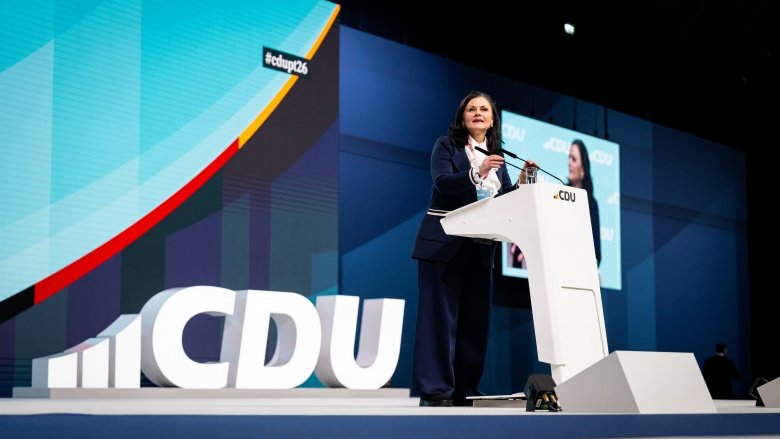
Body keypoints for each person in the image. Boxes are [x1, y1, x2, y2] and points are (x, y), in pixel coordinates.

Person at [411, 91, 537, 407]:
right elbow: (443, 183)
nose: (478, 113)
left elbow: (504, 200)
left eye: (484, 109)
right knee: (439, 321)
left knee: (474, 324)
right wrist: (477, 171)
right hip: (443, 245)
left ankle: (464, 389)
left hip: (481, 249)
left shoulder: (497, 157)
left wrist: (523, 182)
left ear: (492, 120)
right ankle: (435, 390)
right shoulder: (446, 145)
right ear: (463, 117)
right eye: (471, 109)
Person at [566, 139, 601, 266]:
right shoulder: (559, 194)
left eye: (574, 159)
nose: (569, 162)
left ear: (583, 170)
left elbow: (597, 252)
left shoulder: (591, 204)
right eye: (569, 158)